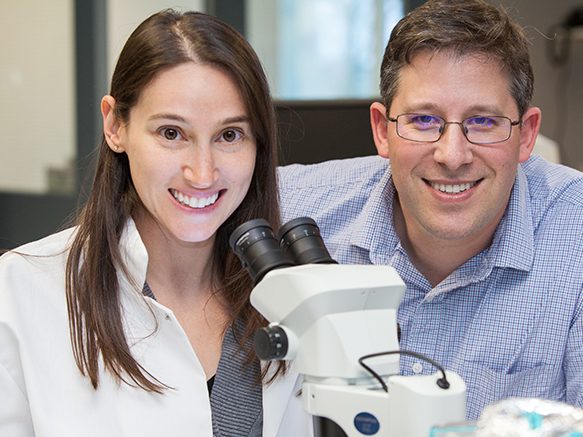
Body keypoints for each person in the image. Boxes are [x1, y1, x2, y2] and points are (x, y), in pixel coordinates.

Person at [0, 10, 312, 437]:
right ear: (115, 125)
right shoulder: (20, 291)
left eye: (229, 135)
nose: (202, 173)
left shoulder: (292, 300)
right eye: (171, 133)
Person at [278, 0, 583, 421]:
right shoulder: (293, 204)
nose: (452, 155)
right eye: (423, 120)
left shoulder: (576, 238)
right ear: (382, 131)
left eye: (483, 122)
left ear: (526, 135)